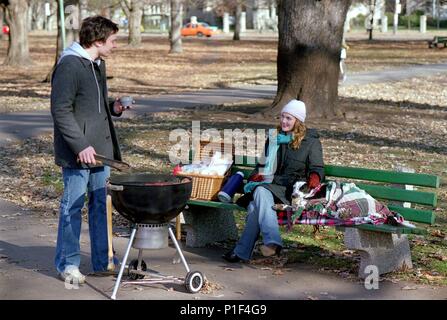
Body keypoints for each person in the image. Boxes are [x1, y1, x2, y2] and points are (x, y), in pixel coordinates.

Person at [51, 15, 130, 284]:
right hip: (78, 153)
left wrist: (114, 108)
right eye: (113, 41)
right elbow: (61, 110)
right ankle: (67, 264)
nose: (115, 45)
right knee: (72, 207)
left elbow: (92, 106)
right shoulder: (69, 65)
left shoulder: (97, 64)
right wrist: (80, 145)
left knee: (101, 206)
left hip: (101, 152)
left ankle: (103, 259)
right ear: (97, 41)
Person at [222, 99, 325, 263]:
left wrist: (314, 177)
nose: (284, 121)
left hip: (288, 191)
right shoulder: (274, 138)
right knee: (257, 201)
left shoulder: (310, 142)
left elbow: (317, 167)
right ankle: (270, 243)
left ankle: (248, 249)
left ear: (298, 121)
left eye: (289, 118)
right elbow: (261, 166)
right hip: (269, 187)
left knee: (258, 198)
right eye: (282, 117)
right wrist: (257, 175)